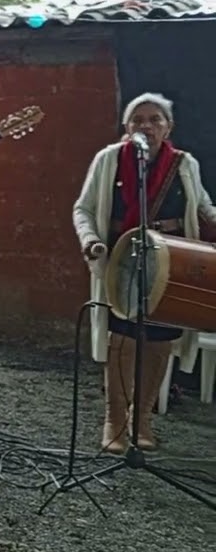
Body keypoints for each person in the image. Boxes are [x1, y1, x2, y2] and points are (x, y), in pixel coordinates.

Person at [73, 92, 209, 455]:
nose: (146, 126)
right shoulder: (108, 160)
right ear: (126, 127)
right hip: (121, 261)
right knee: (124, 340)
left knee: (159, 343)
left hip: (171, 267)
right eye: (138, 119)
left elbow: (203, 209)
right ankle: (114, 421)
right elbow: (83, 209)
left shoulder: (185, 165)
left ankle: (142, 420)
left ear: (169, 128)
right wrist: (90, 241)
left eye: (155, 120)